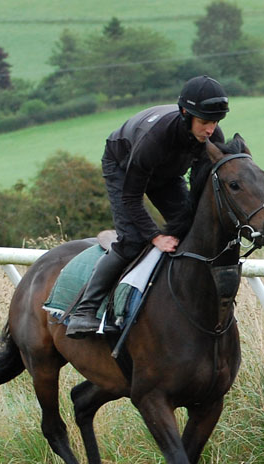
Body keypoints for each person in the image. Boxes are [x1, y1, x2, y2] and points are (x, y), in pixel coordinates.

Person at [65, 75, 230, 338]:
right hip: (122, 165)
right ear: (185, 114)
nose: (210, 130)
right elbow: (131, 198)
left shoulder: (212, 137)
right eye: (204, 122)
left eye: (215, 122)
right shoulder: (154, 139)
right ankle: (84, 310)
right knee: (132, 240)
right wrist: (155, 236)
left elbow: (199, 193)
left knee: (191, 230)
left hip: (167, 174)